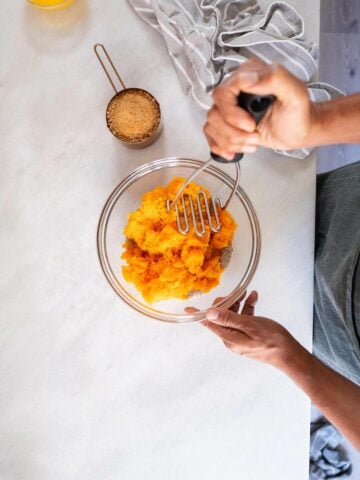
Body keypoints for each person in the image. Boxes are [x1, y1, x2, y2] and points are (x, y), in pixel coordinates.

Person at [200, 59, 360, 451]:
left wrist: (288, 355)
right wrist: (315, 124)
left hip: (343, 330)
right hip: (351, 208)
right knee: (293, 204)